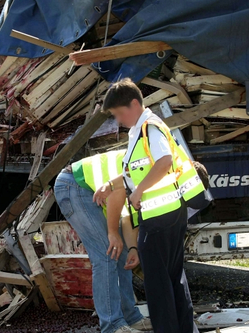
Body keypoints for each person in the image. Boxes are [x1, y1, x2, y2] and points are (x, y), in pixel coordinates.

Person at [93, 78, 200, 333]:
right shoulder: (141, 130)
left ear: (133, 104)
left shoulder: (149, 128)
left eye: (119, 113)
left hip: (160, 218)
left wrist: (139, 192)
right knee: (173, 278)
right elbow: (138, 172)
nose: (118, 120)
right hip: (168, 215)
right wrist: (113, 184)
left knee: (158, 285)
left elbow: (163, 162)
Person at [56, 149, 153, 333]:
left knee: (121, 254)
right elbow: (117, 192)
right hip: (74, 186)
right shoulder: (146, 165)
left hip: (88, 189)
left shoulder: (153, 169)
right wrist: (111, 232)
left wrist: (132, 247)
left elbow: (127, 217)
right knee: (106, 253)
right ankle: (113, 325)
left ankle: (130, 319)